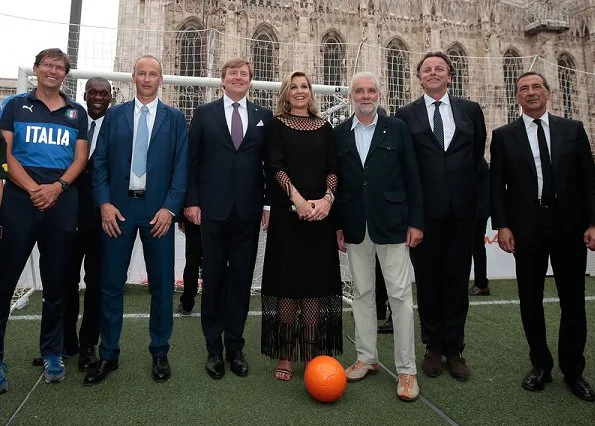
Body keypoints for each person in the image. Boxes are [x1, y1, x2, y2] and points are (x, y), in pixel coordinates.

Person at [490, 71, 595, 402]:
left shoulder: (572, 130)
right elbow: (498, 187)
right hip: (527, 227)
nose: (530, 93)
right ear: (517, 97)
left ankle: (573, 370)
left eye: (536, 87)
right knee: (530, 300)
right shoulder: (504, 135)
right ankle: (541, 365)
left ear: (549, 94)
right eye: (523, 89)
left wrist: (592, 223)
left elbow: (588, 182)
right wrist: (502, 226)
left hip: (569, 226)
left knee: (573, 300)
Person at [83, 55, 188, 385]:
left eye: (152, 74)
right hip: (118, 210)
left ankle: (160, 352)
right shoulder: (114, 116)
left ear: (161, 79)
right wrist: (103, 203)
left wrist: (170, 208)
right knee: (111, 284)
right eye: (141, 73)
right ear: (133, 78)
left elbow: (181, 168)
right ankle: (109, 354)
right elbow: (98, 163)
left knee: (162, 285)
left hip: (158, 212)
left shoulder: (174, 118)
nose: (146, 78)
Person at [0, 48, 89, 391]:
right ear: (36, 69)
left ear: (65, 74)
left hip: (61, 201)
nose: (52, 71)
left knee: (58, 284)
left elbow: (80, 158)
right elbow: (5, 154)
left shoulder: (75, 112)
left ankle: (52, 351)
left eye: (59, 67)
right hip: (20, 201)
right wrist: (33, 188)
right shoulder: (13, 106)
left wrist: (57, 187)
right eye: (47, 65)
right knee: (4, 282)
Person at [395, 51, 486, 382]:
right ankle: (433, 347)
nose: (433, 73)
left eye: (439, 69)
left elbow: (476, 155)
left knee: (457, 282)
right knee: (429, 282)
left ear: (450, 75)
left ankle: (455, 349)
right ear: (419, 77)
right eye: (427, 69)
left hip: (462, 213)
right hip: (424, 216)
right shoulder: (406, 114)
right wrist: (412, 216)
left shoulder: (470, 110)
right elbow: (405, 165)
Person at [335, 72, 423, 402]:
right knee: (362, 292)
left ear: (379, 94)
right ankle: (367, 358)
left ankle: (406, 369)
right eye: (360, 90)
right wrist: (339, 225)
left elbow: (412, 176)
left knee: (399, 295)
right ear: (351, 96)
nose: (366, 95)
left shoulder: (397, 128)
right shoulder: (341, 133)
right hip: (357, 226)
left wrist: (416, 221)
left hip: (393, 224)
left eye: (371, 90)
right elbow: (341, 183)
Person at [185, 58, 272, 380]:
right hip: (211, 211)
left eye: (244, 74)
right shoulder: (204, 114)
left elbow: (269, 165)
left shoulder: (264, 116)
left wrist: (267, 206)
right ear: (222, 81)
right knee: (214, 281)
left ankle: (235, 346)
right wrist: (191, 202)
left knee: (240, 282)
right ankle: (213, 348)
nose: (238, 78)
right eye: (232, 74)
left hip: (247, 213)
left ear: (251, 81)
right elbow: (191, 161)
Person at [260, 70, 342, 381]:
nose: (299, 91)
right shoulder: (276, 125)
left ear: (311, 92)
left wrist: (326, 201)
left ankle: (310, 352)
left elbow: (334, 169)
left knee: (314, 289)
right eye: (293, 87)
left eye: (304, 86)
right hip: (288, 218)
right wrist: (298, 201)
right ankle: (284, 354)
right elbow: (276, 167)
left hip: (320, 219)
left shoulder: (325, 127)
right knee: (287, 288)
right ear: (285, 93)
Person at [31, 78, 112, 371]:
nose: (99, 98)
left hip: (103, 218)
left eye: (104, 93)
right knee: (64, 281)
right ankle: (63, 344)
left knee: (96, 284)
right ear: (85, 95)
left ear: (111, 97)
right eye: (93, 93)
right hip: (66, 215)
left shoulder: (117, 125)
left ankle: (89, 343)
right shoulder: (71, 121)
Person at [469, 157, 491, 296]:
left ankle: (481, 283)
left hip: (477, 212)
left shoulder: (475, 161)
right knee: (477, 247)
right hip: (479, 210)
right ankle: (481, 282)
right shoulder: (478, 160)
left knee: (476, 247)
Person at [177, 219, 203, 315]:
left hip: (194, 214)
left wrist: (182, 216)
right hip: (216, 215)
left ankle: (187, 303)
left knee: (193, 259)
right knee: (213, 259)